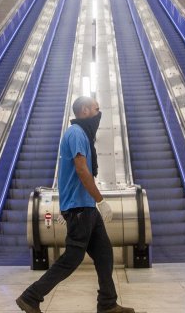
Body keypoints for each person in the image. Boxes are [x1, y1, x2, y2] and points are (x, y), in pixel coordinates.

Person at [16, 96, 135, 313]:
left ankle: (107, 303)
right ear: (85, 110)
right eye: (97, 109)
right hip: (80, 207)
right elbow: (81, 170)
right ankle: (31, 296)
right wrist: (101, 200)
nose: (99, 114)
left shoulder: (82, 134)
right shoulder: (77, 134)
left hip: (85, 206)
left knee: (104, 253)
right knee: (73, 257)